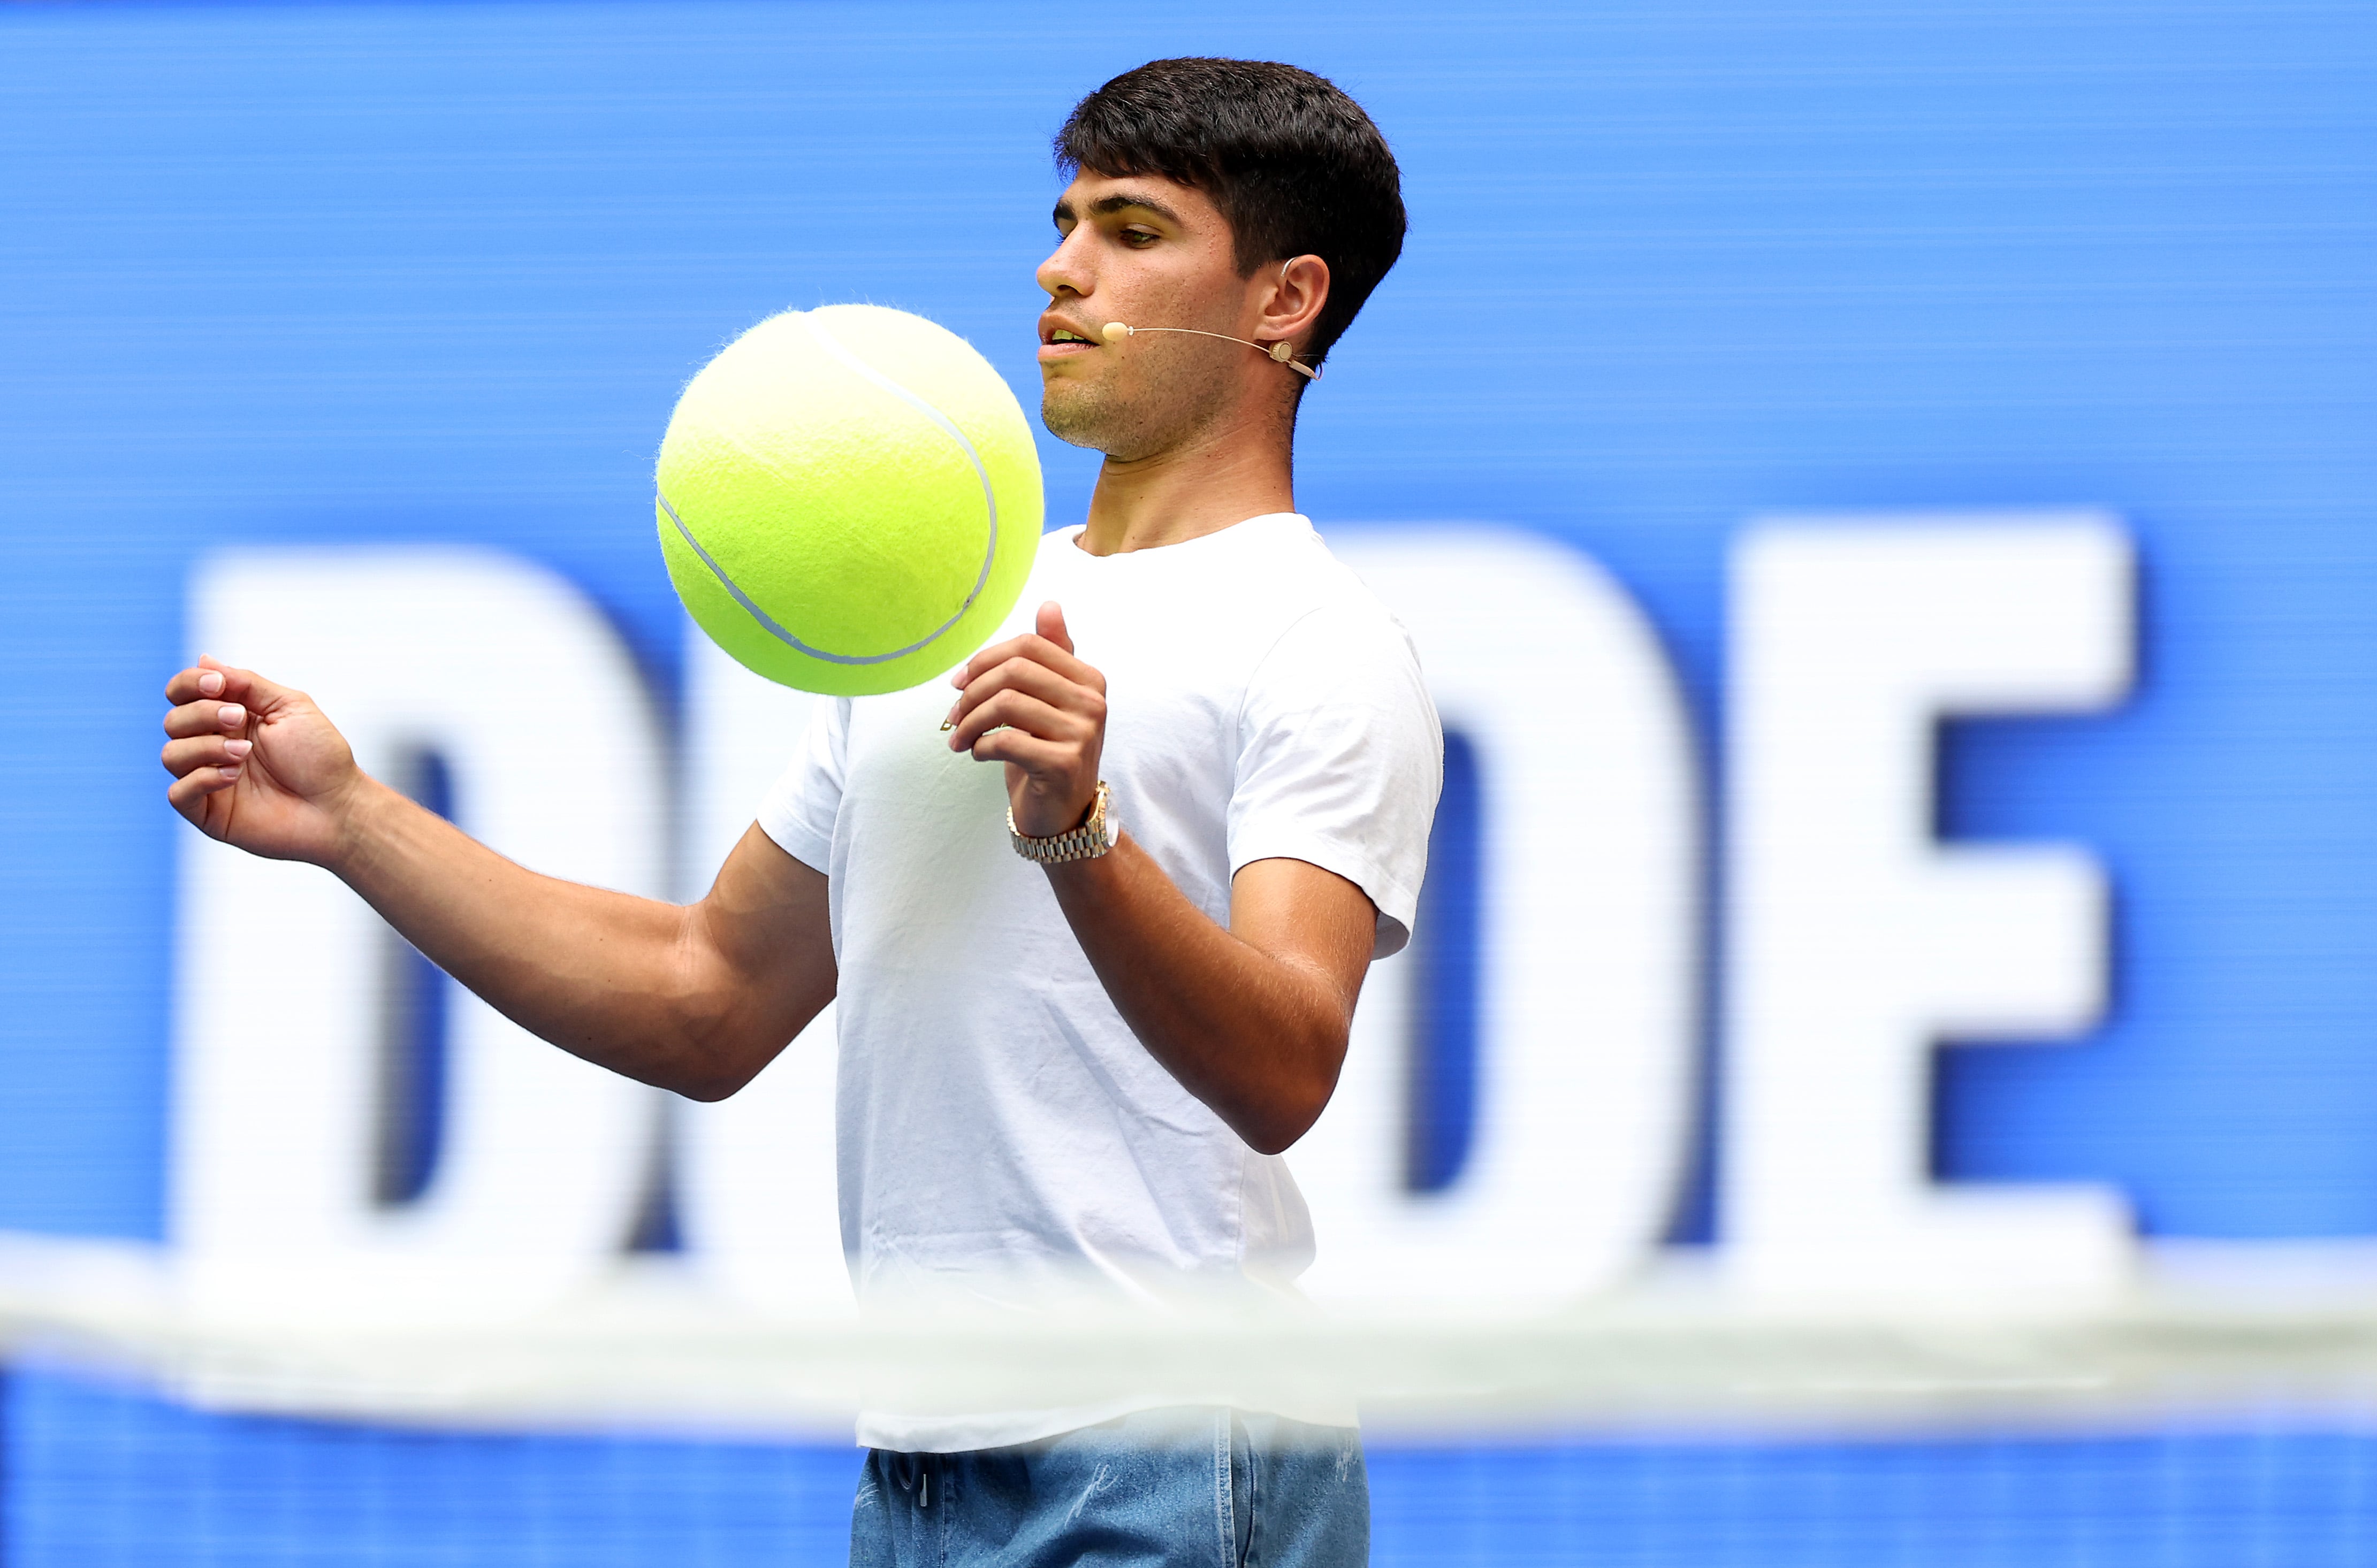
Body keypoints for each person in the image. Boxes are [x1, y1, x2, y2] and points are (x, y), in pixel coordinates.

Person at [159, 56, 1438, 1567]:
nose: (1058, 265)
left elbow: (1287, 1062)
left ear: (1283, 301)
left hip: (1173, 1449)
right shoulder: (944, 613)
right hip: (916, 1472)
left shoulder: (1319, 640)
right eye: (1064, 218)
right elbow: (702, 998)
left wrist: (1077, 829)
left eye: (1132, 230)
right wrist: (356, 820)